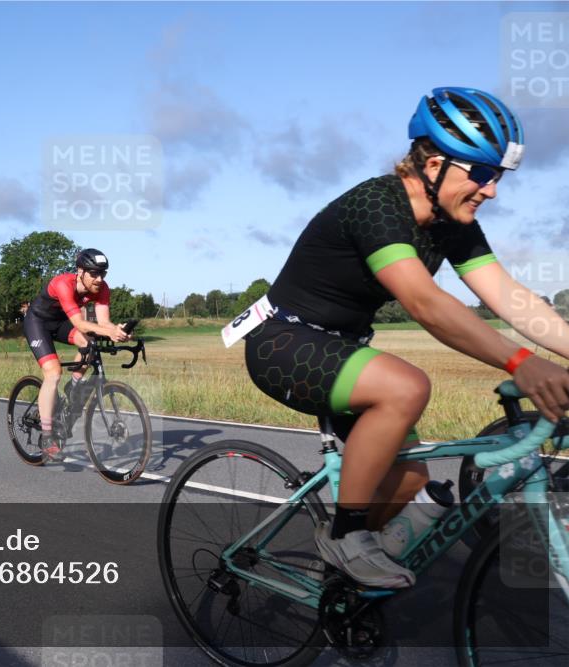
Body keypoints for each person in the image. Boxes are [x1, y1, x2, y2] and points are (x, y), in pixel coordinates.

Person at [243, 87, 569, 588]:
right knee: (406, 386)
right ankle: (344, 535)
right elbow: (425, 303)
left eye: (498, 177)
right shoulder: (378, 204)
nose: (493, 191)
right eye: (482, 174)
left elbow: (509, 297)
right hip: (284, 343)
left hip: (342, 348)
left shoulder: (450, 222)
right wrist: (521, 361)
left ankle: (343, 587)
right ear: (435, 163)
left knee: (410, 479)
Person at [23, 248, 132, 461]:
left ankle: (73, 384)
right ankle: (47, 436)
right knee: (53, 372)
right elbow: (80, 323)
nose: (99, 279)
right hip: (37, 322)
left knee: (89, 344)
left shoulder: (102, 288)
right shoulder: (64, 284)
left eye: (103, 274)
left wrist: (118, 331)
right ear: (80, 271)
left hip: (60, 323)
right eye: (94, 274)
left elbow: (103, 323)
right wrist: (109, 331)